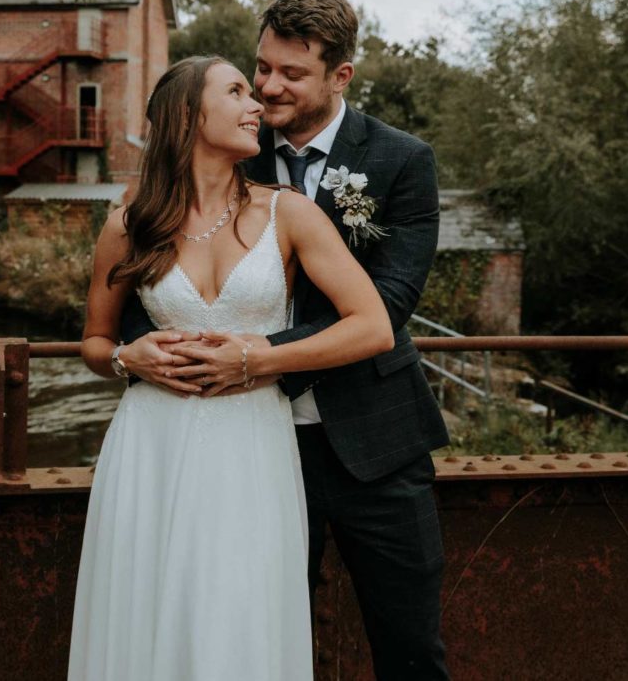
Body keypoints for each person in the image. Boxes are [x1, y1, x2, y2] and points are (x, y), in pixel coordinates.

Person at [118, 0, 450, 680]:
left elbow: (386, 308)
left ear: (341, 77)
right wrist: (136, 353)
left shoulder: (401, 162)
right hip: (245, 451)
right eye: (261, 67)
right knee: (247, 643)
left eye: (291, 74)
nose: (267, 87)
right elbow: (150, 287)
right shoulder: (227, 146)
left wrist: (258, 359)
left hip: (376, 446)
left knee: (411, 649)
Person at [69, 54, 394, 680]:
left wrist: (258, 357)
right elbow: (93, 341)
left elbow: (372, 326)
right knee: (145, 611)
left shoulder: (288, 213)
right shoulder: (127, 227)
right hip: (150, 447)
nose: (258, 105)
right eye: (238, 91)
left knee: (238, 611)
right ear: (190, 114)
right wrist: (123, 359)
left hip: (250, 445)